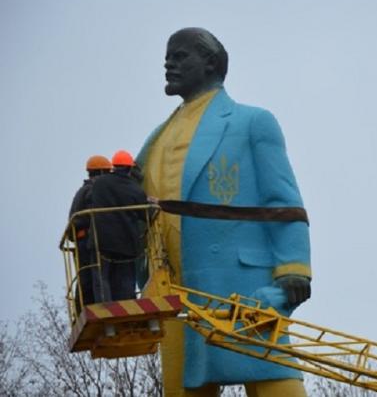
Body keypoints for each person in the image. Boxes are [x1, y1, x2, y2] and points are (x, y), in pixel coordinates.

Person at [137, 27, 311, 396]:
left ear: (211, 62)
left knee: (277, 386)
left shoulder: (252, 122)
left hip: (244, 290)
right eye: (167, 57)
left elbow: (282, 199)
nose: (169, 64)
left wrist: (294, 269)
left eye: (180, 56)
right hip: (174, 298)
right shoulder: (155, 140)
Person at [90, 150, 149, 303]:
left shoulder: (100, 183)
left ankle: (104, 307)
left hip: (101, 240)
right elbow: (145, 215)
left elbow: (91, 200)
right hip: (126, 242)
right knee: (125, 279)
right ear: (129, 169)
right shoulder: (135, 189)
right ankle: (128, 304)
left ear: (114, 166)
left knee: (102, 277)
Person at [68, 155, 112, 309]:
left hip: (84, 238)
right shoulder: (92, 190)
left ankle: (82, 309)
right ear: (101, 172)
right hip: (86, 239)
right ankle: (88, 308)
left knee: (86, 276)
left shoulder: (84, 190)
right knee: (90, 277)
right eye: (108, 172)